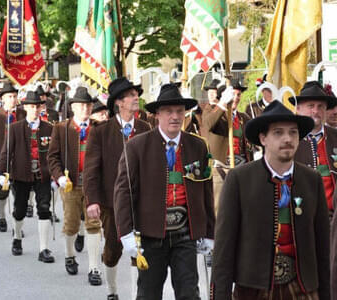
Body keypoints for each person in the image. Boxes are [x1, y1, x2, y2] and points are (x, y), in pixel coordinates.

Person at [211, 101, 330, 299]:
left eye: (293, 132)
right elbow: (223, 250)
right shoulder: (239, 179)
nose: (287, 138)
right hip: (253, 288)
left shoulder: (312, 180)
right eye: (278, 132)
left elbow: (322, 248)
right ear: (263, 138)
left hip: (302, 287)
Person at [114, 83, 215, 299]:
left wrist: (209, 230)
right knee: (148, 294)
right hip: (151, 235)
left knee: (189, 293)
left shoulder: (198, 146)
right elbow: (123, 192)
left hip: (185, 233)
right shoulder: (137, 147)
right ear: (157, 114)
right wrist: (126, 232)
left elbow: (206, 190)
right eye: (169, 111)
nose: (175, 117)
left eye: (179, 111)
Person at [83, 77, 151, 300]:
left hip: (141, 201)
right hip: (111, 203)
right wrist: (91, 200)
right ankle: (111, 291)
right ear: (119, 103)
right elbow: (91, 170)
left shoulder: (146, 128)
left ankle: (135, 295)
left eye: (136, 94)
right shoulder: (100, 131)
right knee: (113, 249)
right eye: (131, 95)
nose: (136, 98)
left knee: (139, 249)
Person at [48, 86, 103, 284]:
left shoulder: (99, 128)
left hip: (94, 185)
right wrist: (60, 177)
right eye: (81, 106)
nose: (85, 109)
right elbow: (52, 157)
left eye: (88, 105)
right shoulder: (61, 128)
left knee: (93, 224)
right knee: (71, 223)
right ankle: (70, 255)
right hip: (70, 184)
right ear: (73, 107)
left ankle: (94, 268)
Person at [0, 91, 54, 263]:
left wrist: (55, 175)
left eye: (38, 106)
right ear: (25, 108)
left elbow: (54, 154)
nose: (35, 110)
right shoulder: (15, 128)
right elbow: (6, 153)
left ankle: (44, 248)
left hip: (43, 175)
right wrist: (1, 173)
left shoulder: (49, 128)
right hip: (21, 174)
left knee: (44, 209)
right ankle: (17, 238)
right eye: (31, 106)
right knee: (20, 209)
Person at [201, 79, 253, 214]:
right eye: (233, 94)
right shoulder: (211, 110)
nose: (235, 98)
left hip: (242, 168)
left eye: (238, 95)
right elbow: (208, 124)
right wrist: (223, 103)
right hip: (220, 168)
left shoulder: (244, 117)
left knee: (243, 208)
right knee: (219, 208)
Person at [293, 81, 337, 219]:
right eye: (310, 106)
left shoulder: (335, 136)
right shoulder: (289, 140)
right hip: (301, 218)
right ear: (298, 109)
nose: (316, 111)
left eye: (320, 107)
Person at [0, 82, 26, 229]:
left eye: (15, 96)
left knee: (19, 193)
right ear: (3, 98)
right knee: (2, 190)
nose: (13, 99)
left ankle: (17, 224)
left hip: (18, 158)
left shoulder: (22, 113)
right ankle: (1, 216)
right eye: (9, 96)